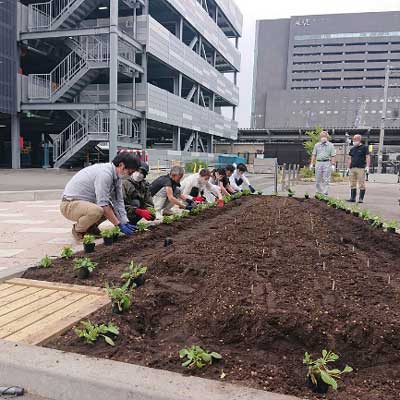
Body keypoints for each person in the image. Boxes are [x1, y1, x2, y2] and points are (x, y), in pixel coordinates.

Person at [60, 153, 139, 240]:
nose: (130, 175)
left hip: (85, 203)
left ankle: (90, 227)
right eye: (130, 172)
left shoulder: (117, 177)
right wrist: (119, 225)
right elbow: (103, 204)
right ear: (121, 165)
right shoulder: (104, 174)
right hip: (69, 205)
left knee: (111, 209)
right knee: (98, 210)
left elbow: (118, 200)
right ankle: (78, 230)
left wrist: (125, 221)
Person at [309, 131, 336, 195]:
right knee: (318, 178)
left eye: (324, 136)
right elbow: (314, 154)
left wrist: (333, 165)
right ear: (320, 137)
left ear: (327, 137)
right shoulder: (317, 145)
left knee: (326, 178)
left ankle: (325, 192)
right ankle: (319, 191)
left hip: (327, 162)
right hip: (318, 162)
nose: (323, 138)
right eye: (322, 136)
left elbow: (333, 156)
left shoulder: (331, 145)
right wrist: (312, 163)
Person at [347, 134, 370, 203]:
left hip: (361, 168)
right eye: (353, 140)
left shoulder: (364, 147)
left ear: (359, 140)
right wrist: (348, 168)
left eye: (355, 140)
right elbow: (349, 159)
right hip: (352, 168)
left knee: (361, 183)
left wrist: (367, 166)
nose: (353, 141)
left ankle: (361, 198)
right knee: (352, 183)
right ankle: (352, 198)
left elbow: (367, 157)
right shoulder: (352, 149)